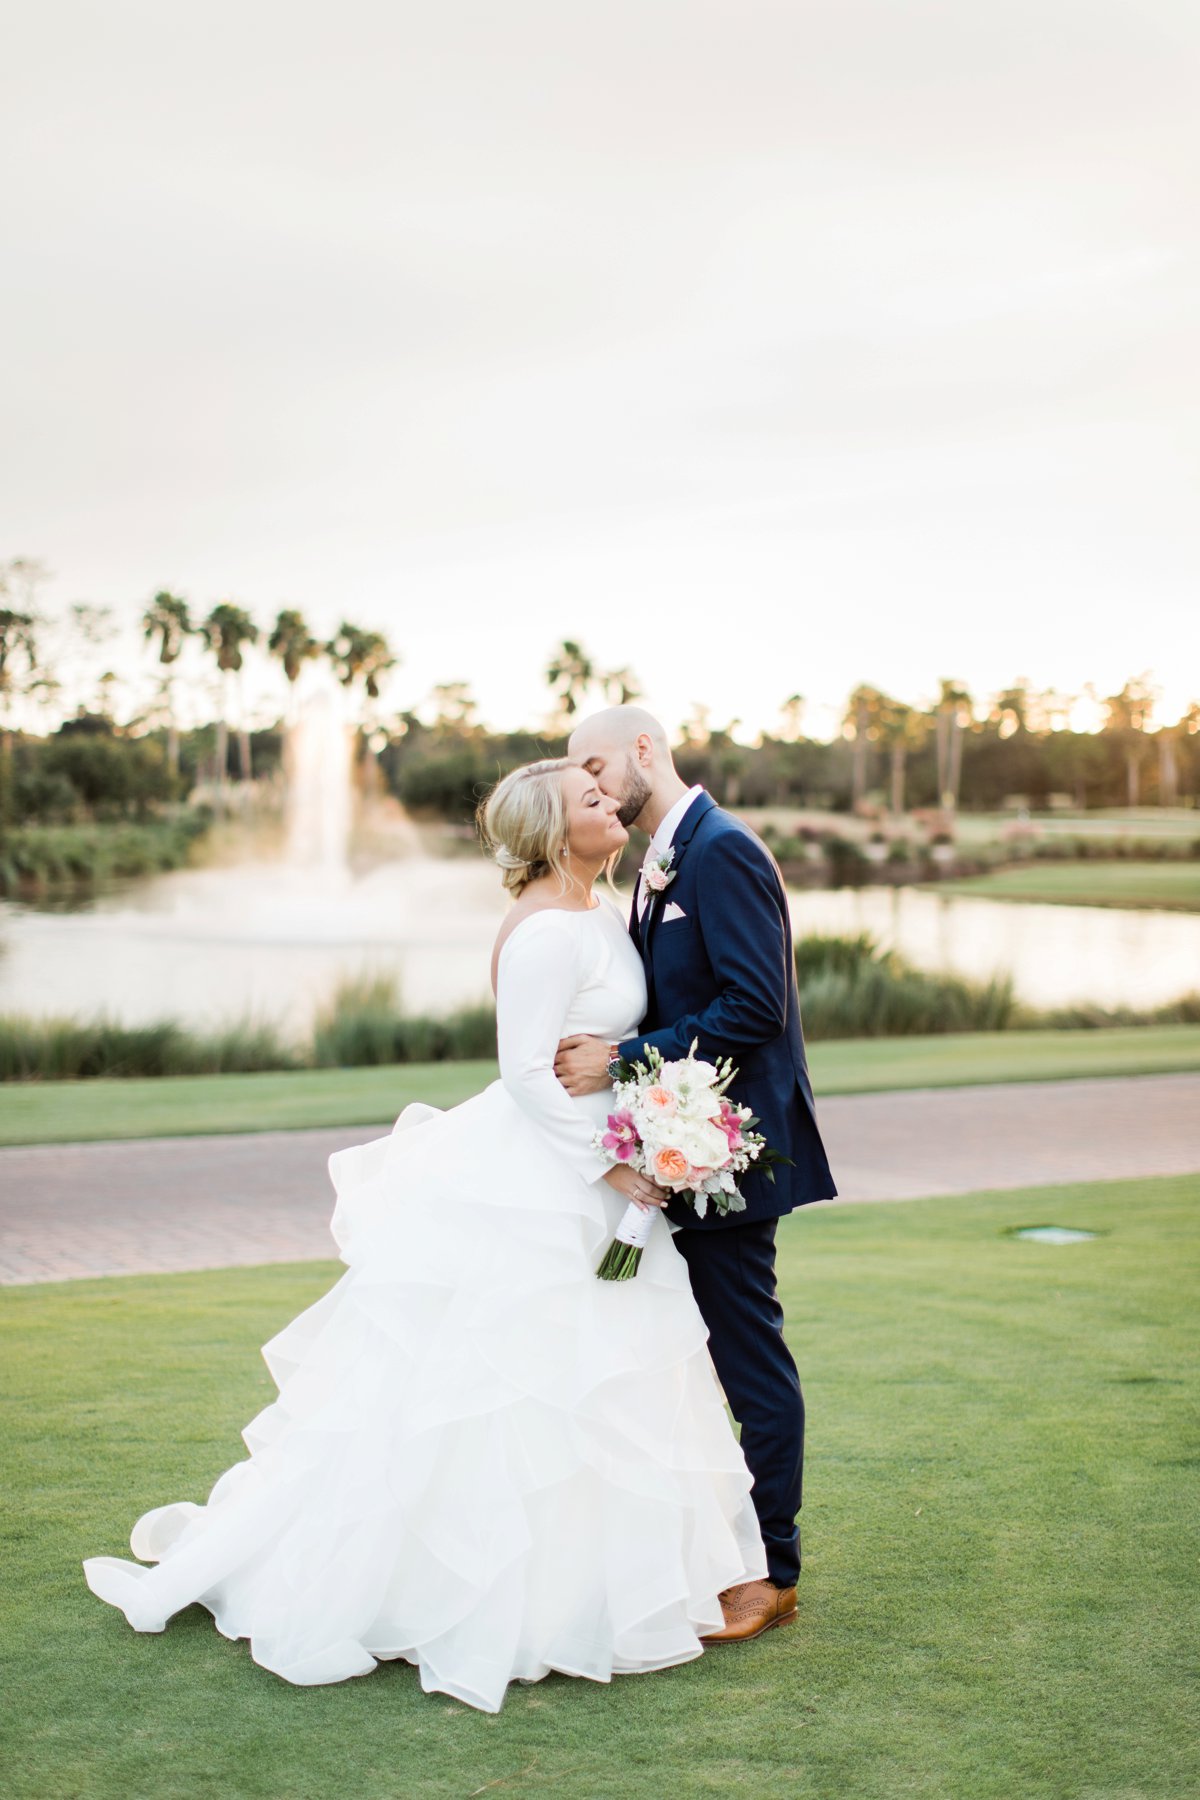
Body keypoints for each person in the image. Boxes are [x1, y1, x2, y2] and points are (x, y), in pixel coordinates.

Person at [83, 758, 767, 1714]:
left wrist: (650, 1126)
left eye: (608, 793)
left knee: (592, 1383)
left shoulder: (594, 907)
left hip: (601, 1168)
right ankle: (469, 1596)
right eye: (591, 800)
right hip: (548, 1179)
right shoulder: (541, 931)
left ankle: (585, 1588)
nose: (613, 806)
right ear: (549, 830)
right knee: (506, 1386)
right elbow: (526, 1073)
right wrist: (611, 1167)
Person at [557, 707, 837, 1643]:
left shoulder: (721, 850)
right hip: (676, 1150)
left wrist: (624, 1059)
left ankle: (774, 1571)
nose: (590, 787)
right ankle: (709, 1546)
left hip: (729, 1151)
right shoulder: (655, 864)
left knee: (746, 1352)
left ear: (645, 750)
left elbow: (756, 1003)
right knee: (692, 1349)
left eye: (597, 765)